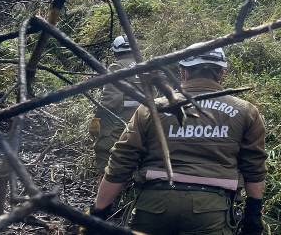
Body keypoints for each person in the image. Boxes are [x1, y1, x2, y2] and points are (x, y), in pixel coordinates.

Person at [87, 47, 267, 235]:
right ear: (222, 73)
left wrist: (99, 211)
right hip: (212, 212)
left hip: (153, 206)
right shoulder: (245, 111)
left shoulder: (152, 108)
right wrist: (253, 215)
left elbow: (121, 162)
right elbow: (254, 168)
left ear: (183, 72)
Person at [89, 35, 144, 176]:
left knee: (105, 151)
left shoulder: (116, 67)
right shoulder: (145, 66)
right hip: (144, 120)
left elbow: (111, 100)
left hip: (119, 122)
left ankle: (107, 192)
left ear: (115, 52)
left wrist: (96, 119)